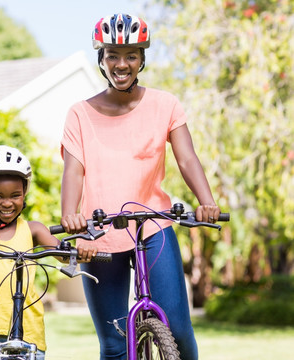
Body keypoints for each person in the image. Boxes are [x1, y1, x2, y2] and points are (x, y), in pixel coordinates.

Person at [60, 14, 221, 360]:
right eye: (113, 55)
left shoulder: (165, 105)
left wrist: (207, 201)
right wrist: (70, 216)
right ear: (101, 59)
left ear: (142, 59)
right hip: (99, 232)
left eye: (131, 55)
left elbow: (188, 158)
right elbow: (73, 171)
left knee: (176, 329)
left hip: (153, 225)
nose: (122, 64)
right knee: (115, 343)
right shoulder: (79, 114)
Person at [0, 145, 98, 360]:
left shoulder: (34, 230)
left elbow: (64, 253)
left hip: (28, 332)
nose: (7, 203)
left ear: (24, 193)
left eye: (15, 195)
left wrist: (83, 248)